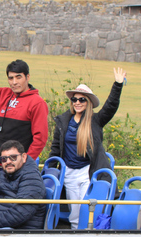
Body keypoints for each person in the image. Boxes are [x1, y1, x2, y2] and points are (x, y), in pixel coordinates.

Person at [49, 69, 126, 228]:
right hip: (69, 172)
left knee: (87, 207)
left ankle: (88, 235)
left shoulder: (95, 120)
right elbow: (56, 148)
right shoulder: (64, 121)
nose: (77, 103)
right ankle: (75, 234)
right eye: (74, 99)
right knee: (75, 211)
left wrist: (118, 85)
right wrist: (49, 169)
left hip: (87, 172)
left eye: (82, 100)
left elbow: (110, 107)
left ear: (88, 102)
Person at [0, 43, 48, 168]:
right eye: (11, 78)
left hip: (18, 166)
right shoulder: (4, 95)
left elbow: (40, 138)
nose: (14, 82)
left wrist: (25, 162)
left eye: (18, 77)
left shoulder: (37, 103)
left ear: (27, 77)